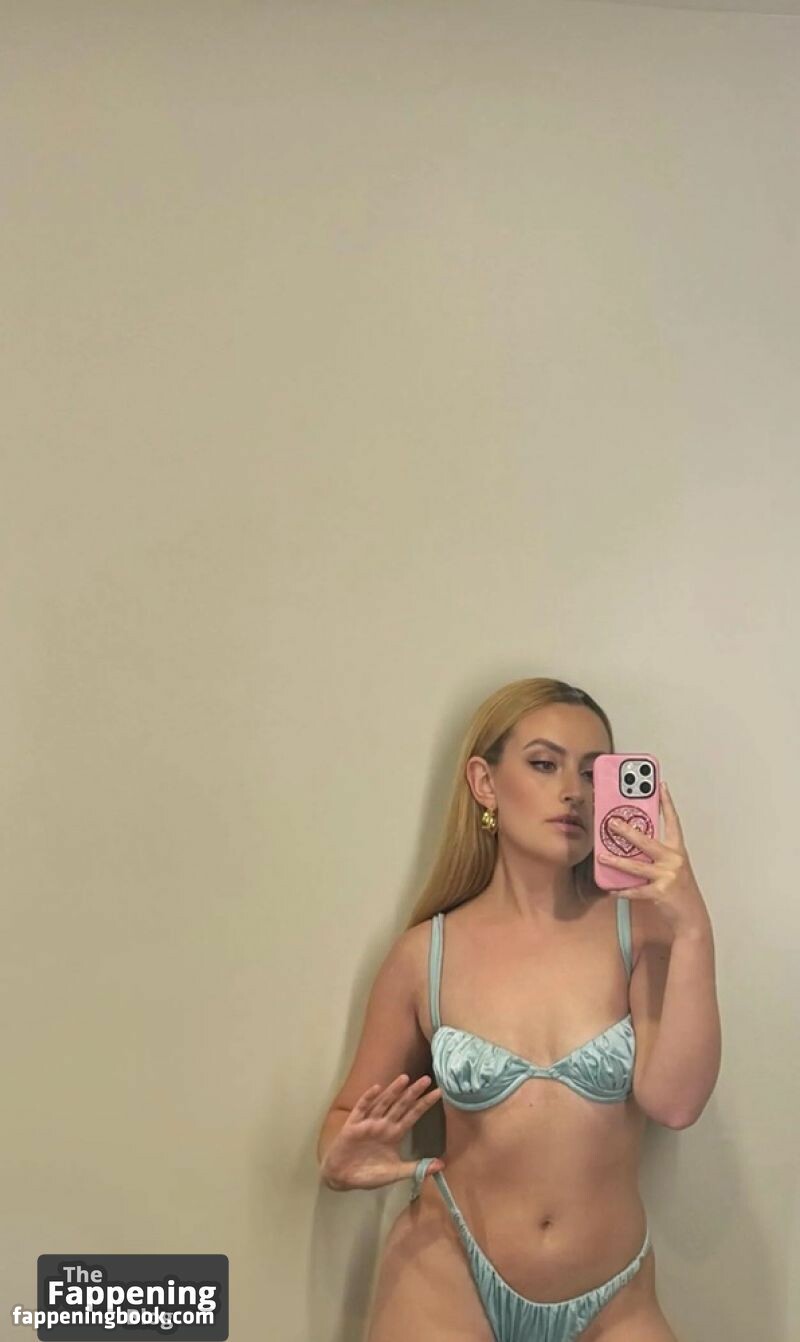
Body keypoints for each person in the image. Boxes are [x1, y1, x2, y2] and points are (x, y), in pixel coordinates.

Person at [316, 677, 721, 1341]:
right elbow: (341, 1123)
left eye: (593, 773)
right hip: (444, 1276)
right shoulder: (425, 956)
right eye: (544, 764)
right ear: (485, 783)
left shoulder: (640, 932)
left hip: (613, 1296)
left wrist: (694, 928)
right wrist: (341, 1161)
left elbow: (675, 1103)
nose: (574, 793)